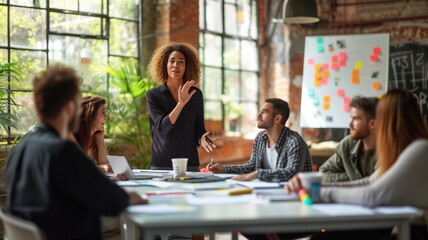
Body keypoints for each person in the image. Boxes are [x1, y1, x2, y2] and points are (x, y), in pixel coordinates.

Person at [6, 64, 146, 240]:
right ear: (70, 107)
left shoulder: (21, 149)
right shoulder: (62, 151)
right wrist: (129, 198)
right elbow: (110, 201)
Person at [286, 89, 428, 239]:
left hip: (415, 231)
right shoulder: (405, 148)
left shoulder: (420, 148)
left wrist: (318, 193)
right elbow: (368, 182)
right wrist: (313, 186)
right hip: (399, 227)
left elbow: (371, 194)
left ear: (388, 121)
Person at [146, 42, 215, 171]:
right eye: (171, 61)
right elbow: (162, 127)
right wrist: (181, 103)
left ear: (187, 66)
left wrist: (202, 140)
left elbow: (199, 129)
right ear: (164, 65)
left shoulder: (196, 95)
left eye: (181, 62)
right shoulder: (153, 95)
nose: (175, 65)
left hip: (190, 163)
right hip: (162, 163)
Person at [209, 98, 312, 182]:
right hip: (268, 192)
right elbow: (252, 166)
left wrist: (258, 174)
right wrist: (224, 169)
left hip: (295, 197)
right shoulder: (261, 138)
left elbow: (291, 173)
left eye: (264, 112)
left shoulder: (294, 142)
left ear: (277, 119)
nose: (258, 116)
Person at [319, 96, 378, 183]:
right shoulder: (347, 145)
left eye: (356, 119)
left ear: (372, 123)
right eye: (351, 118)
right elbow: (323, 174)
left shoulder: (390, 149)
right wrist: (353, 177)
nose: (350, 124)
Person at [71, 95, 111, 173]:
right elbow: (74, 167)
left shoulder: (94, 139)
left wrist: (100, 138)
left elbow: (106, 165)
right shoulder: (71, 137)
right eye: (103, 112)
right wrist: (99, 169)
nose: (106, 116)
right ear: (90, 115)